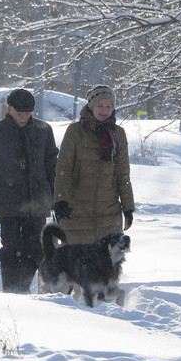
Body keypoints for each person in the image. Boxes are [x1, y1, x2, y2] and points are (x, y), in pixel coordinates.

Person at [0, 88, 59, 293]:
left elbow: (52, 166)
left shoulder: (43, 131)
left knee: (36, 249)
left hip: (38, 202)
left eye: (28, 114)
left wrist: (58, 200)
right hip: (7, 203)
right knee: (11, 248)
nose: (24, 117)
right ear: (9, 109)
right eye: (20, 113)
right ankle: (10, 290)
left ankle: (22, 287)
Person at [53, 84, 134, 243]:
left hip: (109, 215)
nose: (104, 110)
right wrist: (61, 201)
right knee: (75, 265)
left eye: (108, 106)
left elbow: (122, 174)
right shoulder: (75, 132)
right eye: (100, 105)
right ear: (90, 106)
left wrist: (128, 207)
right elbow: (64, 170)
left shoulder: (118, 134)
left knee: (107, 267)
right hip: (77, 213)